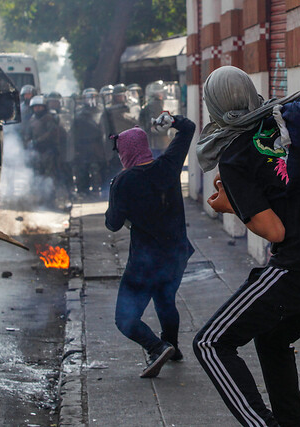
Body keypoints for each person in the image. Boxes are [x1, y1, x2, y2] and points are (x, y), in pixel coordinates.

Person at [192, 66, 300, 426]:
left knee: (210, 344)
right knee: (271, 339)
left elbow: (274, 231)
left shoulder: (235, 156)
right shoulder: (285, 122)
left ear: (214, 108)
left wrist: (231, 205)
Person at [105, 115, 196, 378]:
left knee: (125, 319)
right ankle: (174, 349)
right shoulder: (168, 165)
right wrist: (170, 120)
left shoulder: (123, 182)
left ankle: (157, 347)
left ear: (126, 152)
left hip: (144, 263)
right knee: (165, 300)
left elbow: (112, 224)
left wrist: (115, 194)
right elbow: (188, 128)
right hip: (177, 254)